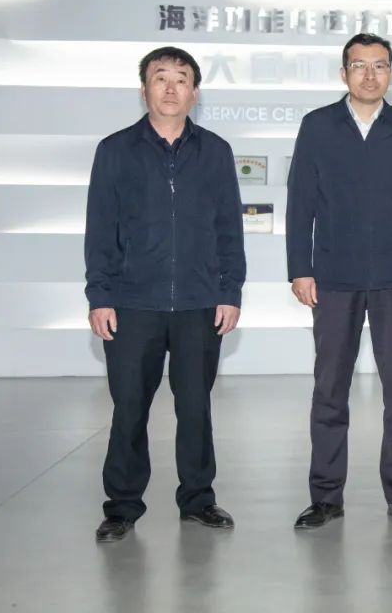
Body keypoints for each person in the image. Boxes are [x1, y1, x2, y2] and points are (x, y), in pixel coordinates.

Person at [85, 46, 245, 542]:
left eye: (181, 79)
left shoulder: (215, 151)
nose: (171, 88)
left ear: (195, 93)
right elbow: (100, 229)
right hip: (133, 303)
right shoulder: (115, 151)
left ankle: (198, 499)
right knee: (129, 408)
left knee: (195, 407)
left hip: (200, 302)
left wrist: (230, 291)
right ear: (144, 89)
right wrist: (100, 295)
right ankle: (122, 506)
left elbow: (228, 229)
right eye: (160, 78)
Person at [286, 33, 392, 530]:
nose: (370, 75)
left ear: (391, 73)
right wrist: (300, 268)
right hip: (334, 276)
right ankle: (326, 496)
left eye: (379, 66)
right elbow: (300, 202)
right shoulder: (317, 126)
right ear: (344, 73)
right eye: (359, 65)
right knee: (329, 389)